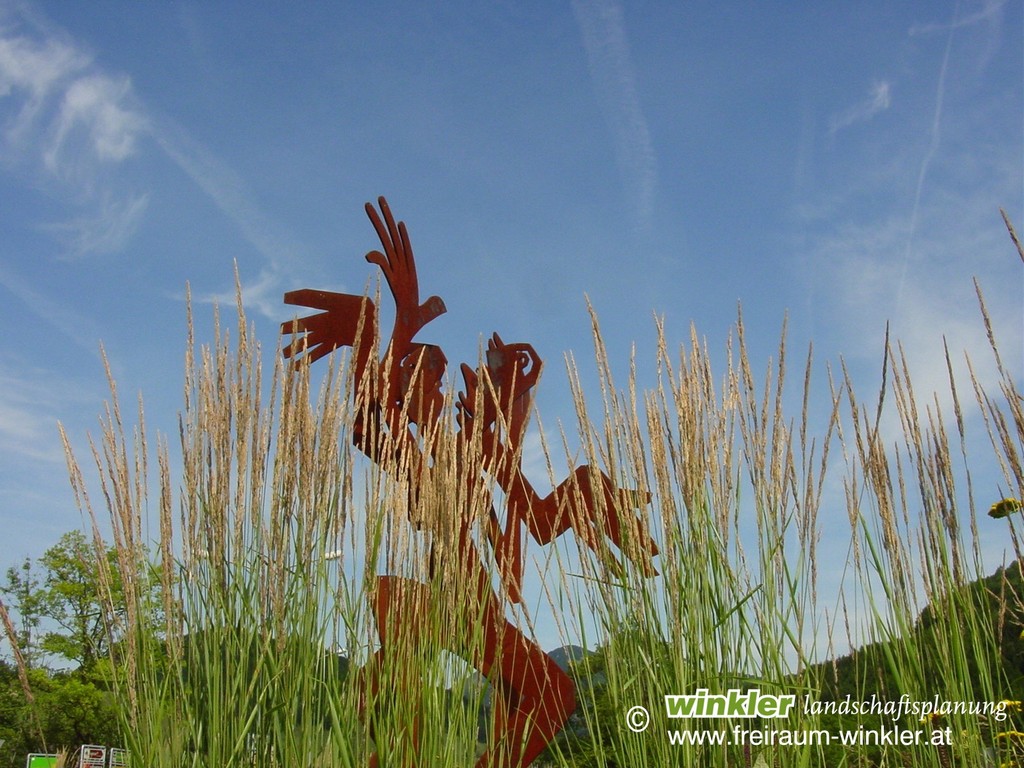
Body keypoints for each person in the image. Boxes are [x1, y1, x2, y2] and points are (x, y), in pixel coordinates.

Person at [282, 197, 658, 767]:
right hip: (448, 607)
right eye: (423, 375)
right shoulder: (408, 451)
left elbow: (535, 518)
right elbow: (369, 412)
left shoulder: (467, 447)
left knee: (547, 696)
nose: (434, 386)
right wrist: (397, 324)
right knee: (517, 698)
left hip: (471, 607)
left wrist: (576, 476)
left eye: (435, 376)